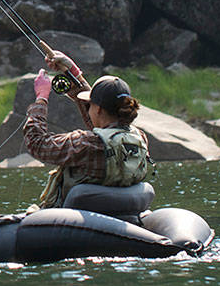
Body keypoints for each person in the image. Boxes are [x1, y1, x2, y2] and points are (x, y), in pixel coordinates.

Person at [20, 50, 152, 210]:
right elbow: (104, 128)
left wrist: (41, 97)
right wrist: (72, 71)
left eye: (91, 105)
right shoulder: (140, 138)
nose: (88, 109)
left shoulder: (85, 144)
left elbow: (37, 144)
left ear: (99, 110)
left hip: (73, 225)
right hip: (119, 218)